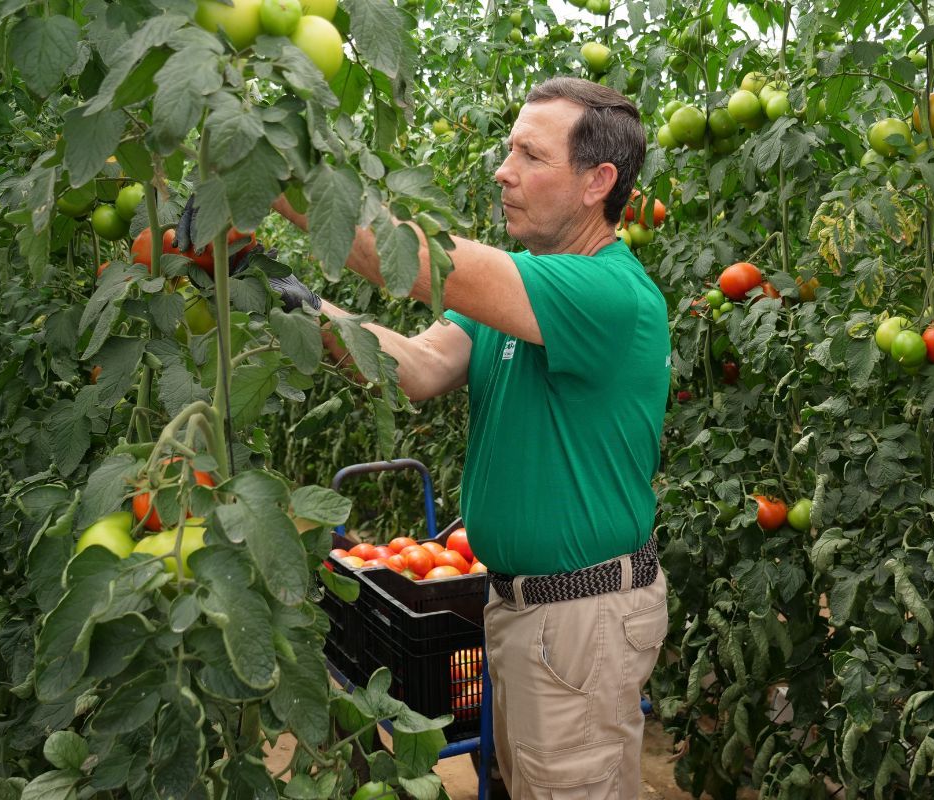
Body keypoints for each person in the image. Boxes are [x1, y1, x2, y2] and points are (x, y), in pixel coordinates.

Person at [271, 76, 670, 798]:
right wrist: (297, 303)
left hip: (579, 621)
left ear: (597, 182)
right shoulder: (525, 295)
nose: (502, 169)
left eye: (529, 155)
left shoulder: (606, 293)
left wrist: (274, 176)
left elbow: (417, 262)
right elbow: (418, 367)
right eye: (507, 148)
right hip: (522, 609)